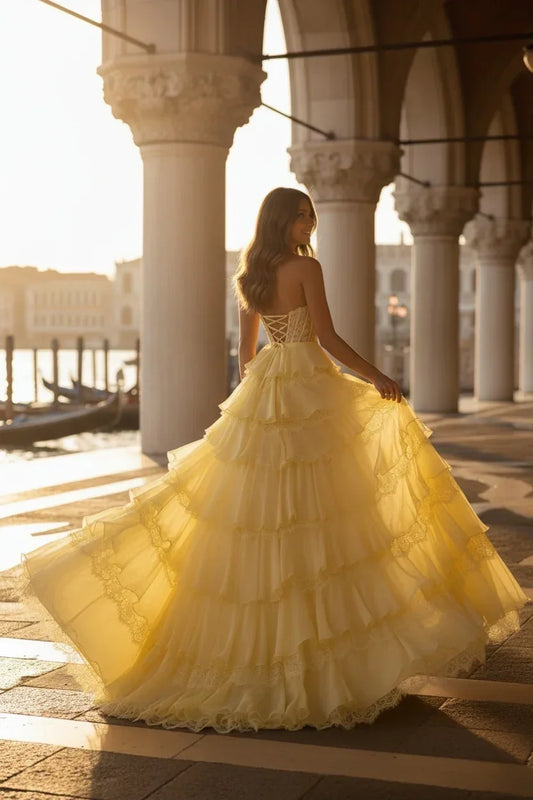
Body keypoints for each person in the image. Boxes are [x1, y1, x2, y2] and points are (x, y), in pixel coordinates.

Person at [22, 187, 528, 733]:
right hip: (308, 386)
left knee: (263, 514)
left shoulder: (252, 273)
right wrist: (376, 375)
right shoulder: (306, 269)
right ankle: (330, 657)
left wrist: (258, 389)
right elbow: (328, 337)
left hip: (268, 388)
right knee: (323, 511)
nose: (310, 224)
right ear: (283, 220)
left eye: (311, 216)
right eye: (302, 216)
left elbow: (245, 351)